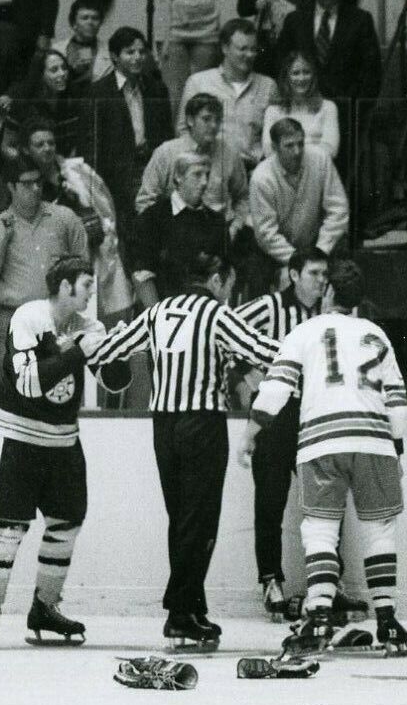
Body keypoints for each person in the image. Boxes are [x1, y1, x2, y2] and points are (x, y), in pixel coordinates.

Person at [86, 252, 284, 650]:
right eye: (227, 285)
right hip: (202, 423)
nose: (228, 293)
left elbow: (111, 350)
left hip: (163, 426)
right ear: (216, 280)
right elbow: (264, 350)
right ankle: (179, 612)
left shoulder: (159, 311)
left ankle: (192, 608)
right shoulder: (216, 314)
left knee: (180, 519)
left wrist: (86, 347)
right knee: (201, 519)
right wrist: (304, 351)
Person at [240, 257, 407, 656]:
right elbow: (399, 410)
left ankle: (317, 615)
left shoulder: (305, 331)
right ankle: (386, 619)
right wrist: (393, 445)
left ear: (330, 292)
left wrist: (250, 435)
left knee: (320, 528)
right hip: (374, 442)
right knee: (378, 530)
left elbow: (275, 391)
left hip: (322, 440)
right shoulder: (377, 334)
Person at [0, 256, 127, 649]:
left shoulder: (89, 326)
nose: (92, 292)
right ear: (64, 286)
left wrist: (118, 349)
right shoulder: (28, 318)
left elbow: (115, 383)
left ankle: (45, 606)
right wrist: (78, 352)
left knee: (65, 524)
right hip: (16, 439)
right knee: (8, 528)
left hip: (63, 444)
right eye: (86, 284)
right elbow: (27, 384)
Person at [232, 247, 329, 617]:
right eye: (314, 274)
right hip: (276, 415)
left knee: (324, 502)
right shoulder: (269, 307)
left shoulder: (327, 312)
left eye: (324, 275)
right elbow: (225, 329)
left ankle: (326, 586)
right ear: (293, 274)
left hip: (315, 412)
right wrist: (245, 375)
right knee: (270, 503)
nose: (321, 281)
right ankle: (270, 580)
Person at [0, 152, 91, 404]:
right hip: (11, 317)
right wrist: (3, 244)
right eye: (27, 184)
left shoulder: (65, 219)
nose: (36, 188)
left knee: (62, 390)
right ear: (11, 187)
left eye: (38, 181)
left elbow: (84, 268)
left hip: (57, 317)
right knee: (4, 393)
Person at [276, 0, 382, 197]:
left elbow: (372, 73)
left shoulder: (360, 20)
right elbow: (281, 65)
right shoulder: (295, 20)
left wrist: (354, 110)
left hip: (345, 117)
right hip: (301, 114)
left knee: (340, 184)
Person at [85, 27, 175, 265]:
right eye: (129, 52)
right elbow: (92, 147)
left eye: (141, 52)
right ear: (115, 56)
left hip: (151, 167)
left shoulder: (156, 89)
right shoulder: (98, 93)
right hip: (115, 175)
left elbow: (166, 135)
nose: (137, 58)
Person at [245, 116, 348, 298]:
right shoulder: (261, 178)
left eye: (301, 143)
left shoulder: (320, 159)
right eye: (289, 146)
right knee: (261, 278)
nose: (297, 151)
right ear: (275, 148)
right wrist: (299, 263)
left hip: (316, 245)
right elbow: (266, 234)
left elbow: (338, 210)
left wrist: (319, 253)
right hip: (274, 253)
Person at [152, 0, 246, 119]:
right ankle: (177, 146)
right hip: (173, 21)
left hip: (206, 21)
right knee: (174, 93)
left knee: (203, 89)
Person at [134, 91, 250, 235]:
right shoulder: (166, 153)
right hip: (176, 234)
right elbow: (145, 202)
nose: (213, 126)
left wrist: (234, 229)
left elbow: (243, 197)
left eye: (217, 120)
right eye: (206, 119)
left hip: (219, 234)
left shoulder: (229, 154)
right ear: (190, 120)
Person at [177, 17, 280, 173]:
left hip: (252, 172)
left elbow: (275, 135)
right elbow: (183, 130)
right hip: (208, 170)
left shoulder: (268, 86)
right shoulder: (198, 82)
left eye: (253, 49)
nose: (250, 54)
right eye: (243, 49)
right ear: (225, 48)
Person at [130, 152, 229, 300]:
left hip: (204, 311)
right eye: (197, 175)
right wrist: (159, 317)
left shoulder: (216, 222)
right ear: (178, 177)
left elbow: (225, 275)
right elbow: (142, 276)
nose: (204, 182)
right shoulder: (152, 219)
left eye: (206, 175)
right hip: (162, 311)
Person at [0, 49, 85, 160]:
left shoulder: (75, 99)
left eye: (64, 68)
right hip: (29, 169)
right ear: (40, 74)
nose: (62, 73)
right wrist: (29, 164)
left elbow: (79, 141)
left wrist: (66, 165)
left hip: (65, 166)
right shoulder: (23, 104)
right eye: (54, 70)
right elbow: (7, 147)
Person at [263, 49, 340, 163]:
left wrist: (290, 152)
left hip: (318, 170)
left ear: (313, 76)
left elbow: (331, 150)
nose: (301, 78)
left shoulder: (328, 107)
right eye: (295, 73)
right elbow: (269, 150)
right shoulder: (273, 110)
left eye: (306, 72)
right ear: (287, 77)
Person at [51, 0, 114, 89]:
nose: (90, 22)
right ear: (73, 23)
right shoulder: (56, 49)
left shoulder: (110, 52)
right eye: (85, 18)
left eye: (95, 18)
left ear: (100, 23)